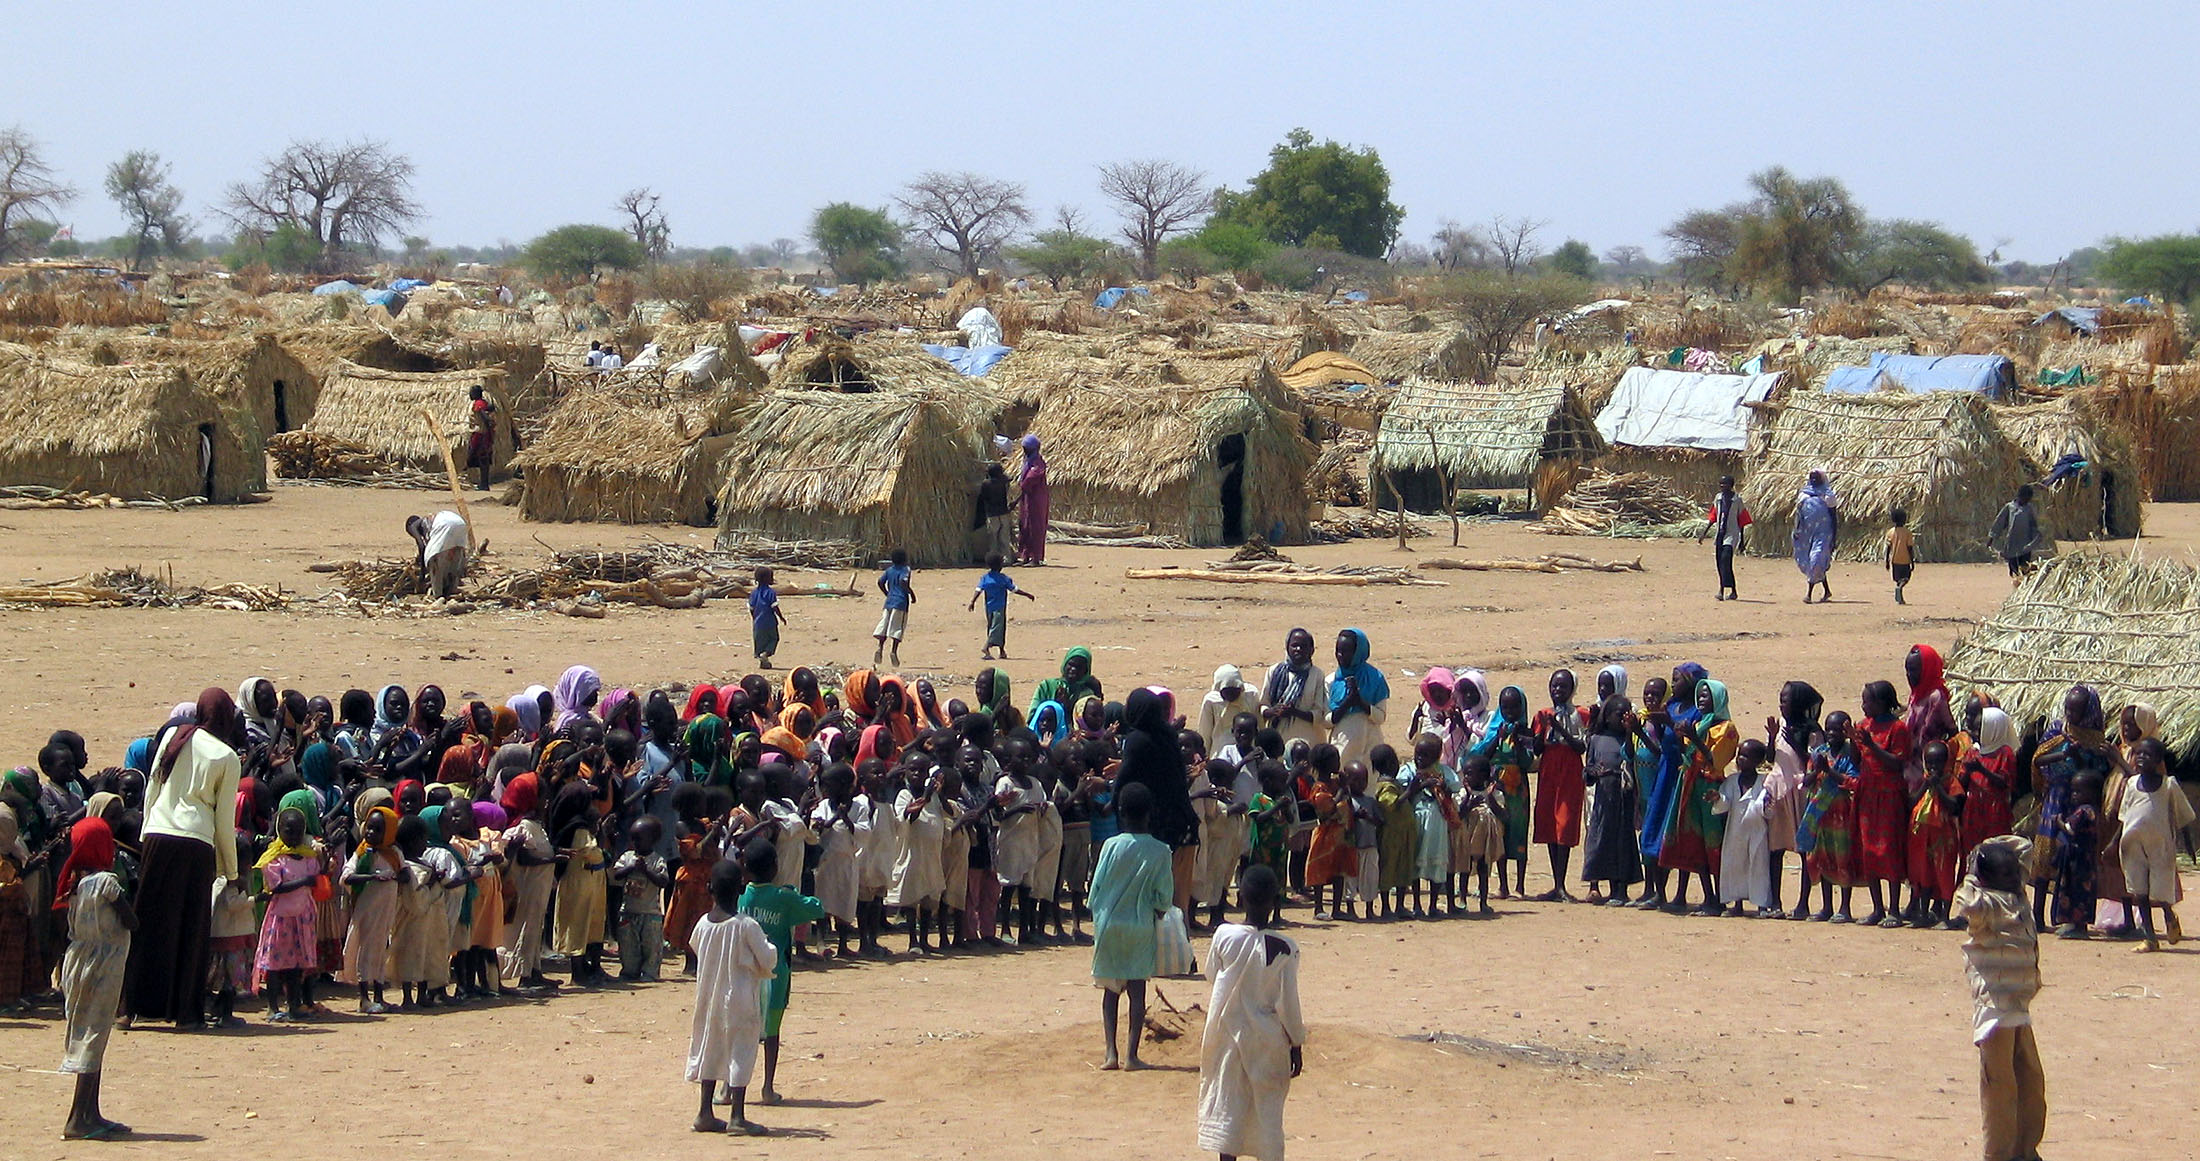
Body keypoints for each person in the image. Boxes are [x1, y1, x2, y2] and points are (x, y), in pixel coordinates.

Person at [126, 686, 243, 1027]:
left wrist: (146, 833)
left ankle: (129, 1008)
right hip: (196, 842)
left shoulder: (174, 736)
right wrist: (230, 869)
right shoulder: (227, 757)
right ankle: (185, 1015)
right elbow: (224, 821)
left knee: (147, 922)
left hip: (159, 836)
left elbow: (153, 787)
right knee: (191, 930)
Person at [1196, 864, 1304, 1161]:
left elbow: (1210, 975)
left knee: (1228, 1104)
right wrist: (1296, 1041)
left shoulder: (1223, 935)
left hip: (1226, 1035)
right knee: (1267, 1110)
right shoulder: (1286, 947)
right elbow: (1288, 1003)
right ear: (1276, 902)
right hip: (1267, 1040)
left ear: (1240, 897)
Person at [1956, 836, 2046, 1161]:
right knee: (2000, 1087)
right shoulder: (1985, 907)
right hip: (1995, 1011)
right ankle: (2000, 1153)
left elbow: (2023, 847)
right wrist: (1973, 866)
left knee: (2030, 1081)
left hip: (2019, 1008)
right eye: (2006, 875)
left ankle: (2025, 1148)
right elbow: (1966, 899)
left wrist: (1986, 846)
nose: (2014, 878)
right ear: (1986, 880)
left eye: (2015, 874)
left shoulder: (2018, 896)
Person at [55, 815, 134, 1140]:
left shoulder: (75, 884)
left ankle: (90, 1112)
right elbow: (131, 920)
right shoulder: (106, 883)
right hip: (103, 967)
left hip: (79, 963)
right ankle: (78, 1118)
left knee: (89, 1034)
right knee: (93, 1037)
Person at [687, 857, 778, 1136]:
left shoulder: (703, 924)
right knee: (741, 1049)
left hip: (708, 997)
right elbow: (768, 959)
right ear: (741, 889)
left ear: (708, 889)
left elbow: (694, 947)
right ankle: (737, 1116)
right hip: (739, 998)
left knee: (709, 1047)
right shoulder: (746, 925)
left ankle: (705, 1112)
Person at [1089, 782, 1175, 1071]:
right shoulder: (1161, 850)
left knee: (1110, 991)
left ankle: (1110, 1053)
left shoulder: (1111, 846)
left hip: (1109, 924)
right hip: (1141, 926)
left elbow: (1096, 888)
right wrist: (1161, 912)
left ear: (1120, 812)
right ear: (1150, 813)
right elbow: (1164, 896)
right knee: (1137, 992)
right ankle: (1132, 1056)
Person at [737, 838, 826, 1104]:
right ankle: (767, 1088)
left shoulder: (740, 897)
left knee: (740, 1033)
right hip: (775, 977)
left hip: (743, 976)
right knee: (771, 1034)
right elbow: (816, 907)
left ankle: (729, 1088)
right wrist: (793, 892)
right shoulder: (782, 898)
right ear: (775, 867)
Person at [1116, 686, 1201, 913]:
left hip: (1156, 831)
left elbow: (1125, 780)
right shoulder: (1168, 736)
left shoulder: (1136, 740)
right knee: (1177, 901)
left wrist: (1110, 803)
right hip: (1184, 827)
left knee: (1151, 901)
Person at [2118, 737, 2192, 952]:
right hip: (2132, 844)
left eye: (2147, 755)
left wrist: (2188, 847)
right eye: (2138, 753)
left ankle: (2169, 915)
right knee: (2139, 892)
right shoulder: (2131, 784)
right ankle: (2149, 937)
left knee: (2159, 891)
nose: (2141, 758)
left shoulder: (2169, 786)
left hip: (2160, 846)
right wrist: (2114, 843)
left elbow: (2183, 817)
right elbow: (2124, 817)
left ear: (2159, 760)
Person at [1529, 668, 1588, 902]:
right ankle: (1556, 883)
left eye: (1563, 686)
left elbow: (1580, 747)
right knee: (1549, 824)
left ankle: (1562, 884)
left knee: (1564, 823)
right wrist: (1542, 730)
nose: (1557, 690)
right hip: (1549, 771)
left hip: (1570, 772)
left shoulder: (1580, 715)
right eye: (1554, 686)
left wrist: (1559, 727)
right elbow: (1536, 749)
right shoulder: (1543, 714)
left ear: (1571, 689)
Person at [1714, 739, 1775, 916]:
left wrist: (1767, 805)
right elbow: (1724, 803)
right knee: (1735, 865)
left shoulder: (1764, 782)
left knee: (1758, 866)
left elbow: (1767, 810)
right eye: (1739, 755)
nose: (1740, 759)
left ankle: (1761, 904)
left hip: (1757, 832)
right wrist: (1717, 798)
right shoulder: (1732, 781)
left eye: (1746, 756)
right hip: (1735, 832)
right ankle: (1737, 904)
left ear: (1757, 761)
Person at [613, 816, 671, 981]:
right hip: (628, 911)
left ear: (652, 840)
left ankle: (649, 972)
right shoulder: (627, 857)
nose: (635, 842)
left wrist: (646, 871)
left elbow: (663, 881)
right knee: (628, 945)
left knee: (651, 946)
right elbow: (617, 874)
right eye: (633, 838)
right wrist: (631, 867)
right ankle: (629, 971)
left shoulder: (657, 860)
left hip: (650, 913)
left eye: (639, 839)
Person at [1327, 628, 1390, 770]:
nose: (1340, 655)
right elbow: (1326, 721)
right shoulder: (1331, 681)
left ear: (1358, 652)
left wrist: (1361, 703)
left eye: (1346, 651)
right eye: (1338, 651)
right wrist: (1348, 702)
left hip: (1371, 745)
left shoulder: (1375, 678)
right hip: (1343, 746)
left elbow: (1380, 717)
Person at [1258, 628, 1329, 754]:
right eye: (1294, 645)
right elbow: (1263, 704)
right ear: (1287, 647)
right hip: (1278, 741)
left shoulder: (1317, 675)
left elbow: (1319, 714)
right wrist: (1273, 711)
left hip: (1307, 741)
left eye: (1303, 646)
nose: (1298, 649)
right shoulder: (1274, 671)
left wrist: (1294, 712)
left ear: (1311, 650)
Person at [968, 553, 1037, 661]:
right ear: (1000, 566)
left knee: (993, 627)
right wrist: (1027, 594)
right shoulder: (1003, 578)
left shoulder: (985, 578)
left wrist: (972, 602)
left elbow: (978, 590)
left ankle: (1001, 651)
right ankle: (986, 647)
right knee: (998, 628)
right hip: (999, 607)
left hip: (988, 607)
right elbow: (1014, 589)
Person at [1698, 474, 1750, 601]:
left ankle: (1730, 589)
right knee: (1719, 563)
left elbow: (1742, 520)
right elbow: (1713, 516)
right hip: (1720, 534)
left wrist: (1742, 541)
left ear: (1731, 486)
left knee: (1726, 559)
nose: (1722, 487)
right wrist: (1704, 533)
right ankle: (1723, 590)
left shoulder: (1737, 500)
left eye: (1725, 484)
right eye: (1721, 484)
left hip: (1731, 534)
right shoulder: (1718, 498)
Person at [1792, 469, 1841, 604]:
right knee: (1812, 562)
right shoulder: (1803, 494)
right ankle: (1826, 590)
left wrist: (1834, 536)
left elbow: (1833, 517)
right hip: (1806, 533)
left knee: (1816, 558)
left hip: (1823, 532)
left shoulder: (1828, 496)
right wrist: (1796, 530)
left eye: (1816, 478)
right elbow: (1799, 514)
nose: (1814, 480)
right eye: (1812, 478)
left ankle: (1808, 594)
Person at [408, 510, 472, 599]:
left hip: (444, 524)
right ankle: (450, 592)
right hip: (460, 523)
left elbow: (422, 546)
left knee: (432, 559)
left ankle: (438, 596)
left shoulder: (413, 525)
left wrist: (422, 576)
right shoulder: (430, 522)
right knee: (453, 559)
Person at [1988, 485, 2042, 584]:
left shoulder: (2029, 509)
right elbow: (1999, 522)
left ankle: (2023, 589)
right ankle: (2016, 589)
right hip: (2011, 544)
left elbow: (2034, 526)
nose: (2028, 500)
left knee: (2025, 569)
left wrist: (2036, 539)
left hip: (2025, 546)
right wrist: (1992, 537)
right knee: (2014, 570)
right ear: (2021, 496)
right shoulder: (2009, 507)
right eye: (2026, 498)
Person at [873, 549, 915, 667]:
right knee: (897, 628)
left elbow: (880, 582)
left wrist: (887, 593)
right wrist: (911, 594)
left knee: (885, 626)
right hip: (900, 602)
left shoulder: (889, 570)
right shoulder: (905, 570)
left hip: (889, 602)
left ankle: (880, 648)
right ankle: (893, 652)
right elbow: (903, 582)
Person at [1015, 433, 1051, 565]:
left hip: (1036, 499)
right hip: (1027, 498)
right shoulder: (1027, 462)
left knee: (1035, 526)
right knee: (1024, 525)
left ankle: (1036, 557)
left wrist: (1023, 486)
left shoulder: (1038, 463)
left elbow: (1031, 478)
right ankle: (1025, 555)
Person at [976, 462, 1015, 563]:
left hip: (992, 513)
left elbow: (983, 496)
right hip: (1003, 512)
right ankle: (1007, 558)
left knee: (993, 537)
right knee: (1004, 537)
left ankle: (993, 558)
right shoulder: (1003, 481)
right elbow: (1009, 478)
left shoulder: (986, 484)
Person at [749, 567, 784, 670]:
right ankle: (766, 654)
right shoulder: (770, 592)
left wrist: (754, 618)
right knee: (774, 638)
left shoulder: (754, 593)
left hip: (758, 623)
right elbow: (775, 607)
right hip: (770, 622)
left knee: (760, 642)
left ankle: (762, 660)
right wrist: (781, 617)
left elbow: (751, 608)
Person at [466, 383, 497, 491]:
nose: (470, 394)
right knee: (483, 458)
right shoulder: (483, 403)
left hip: (480, 433)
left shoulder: (478, 404)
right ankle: (484, 483)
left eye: (471, 392)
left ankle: (484, 484)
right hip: (483, 433)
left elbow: (484, 416)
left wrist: (487, 426)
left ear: (475, 394)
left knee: (481, 457)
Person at [1885, 507, 1916, 605]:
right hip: (1905, 559)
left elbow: (1888, 548)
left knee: (1898, 579)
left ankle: (1900, 597)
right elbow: (1910, 547)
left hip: (1894, 560)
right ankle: (1899, 589)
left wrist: (1887, 561)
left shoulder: (1890, 532)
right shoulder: (1907, 533)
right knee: (1906, 578)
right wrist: (1912, 561)